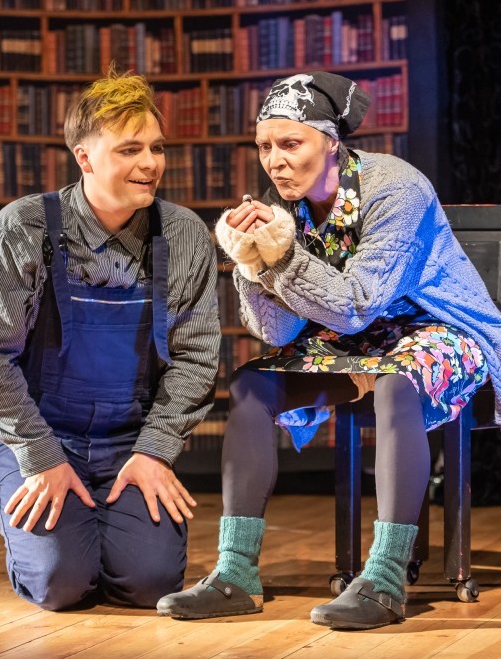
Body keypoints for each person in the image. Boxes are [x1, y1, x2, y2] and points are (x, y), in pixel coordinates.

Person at [156, 71, 501, 630]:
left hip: (443, 330)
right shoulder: (281, 208)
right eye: (265, 147)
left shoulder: (396, 188)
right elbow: (278, 332)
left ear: (331, 143)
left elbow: (356, 304)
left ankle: (385, 581)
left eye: (290, 144)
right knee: (251, 384)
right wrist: (251, 262)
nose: (275, 161)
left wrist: (282, 258)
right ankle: (235, 573)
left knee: (396, 380)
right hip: (356, 342)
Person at [0, 69, 221, 611]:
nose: (150, 163)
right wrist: (39, 455)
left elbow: (196, 358)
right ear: (84, 157)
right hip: (43, 434)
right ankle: (56, 546)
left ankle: (107, 537)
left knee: (150, 582)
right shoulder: (22, 229)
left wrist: (156, 450)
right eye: (130, 149)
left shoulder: (183, 234)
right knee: (61, 583)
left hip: (131, 440)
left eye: (156, 148)